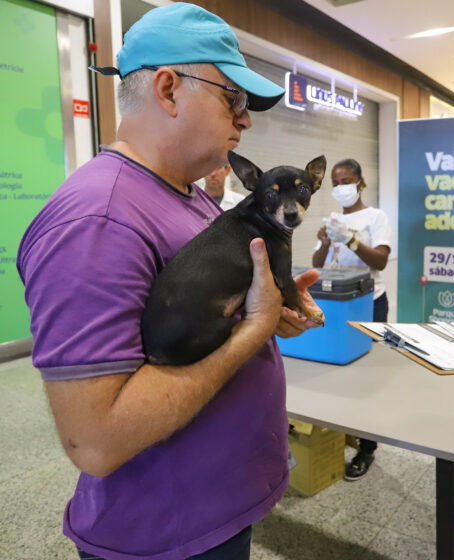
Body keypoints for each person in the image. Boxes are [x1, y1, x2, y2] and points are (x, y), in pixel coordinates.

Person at [16, 4, 321, 559]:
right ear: (169, 88)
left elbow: (216, 316)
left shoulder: (192, 198)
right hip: (167, 535)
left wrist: (270, 312)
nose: (247, 118)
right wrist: (253, 331)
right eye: (234, 98)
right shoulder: (97, 219)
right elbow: (97, 439)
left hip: (218, 508)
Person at [312, 158, 392, 480]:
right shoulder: (333, 219)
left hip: (369, 302)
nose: (340, 187)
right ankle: (343, 430)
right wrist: (329, 240)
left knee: (366, 377)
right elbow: (317, 261)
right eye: (335, 181)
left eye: (346, 180)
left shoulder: (376, 217)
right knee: (338, 370)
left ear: (360, 182)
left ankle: (367, 447)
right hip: (337, 303)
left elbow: (382, 261)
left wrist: (352, 240)